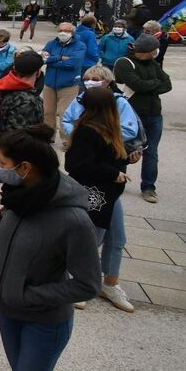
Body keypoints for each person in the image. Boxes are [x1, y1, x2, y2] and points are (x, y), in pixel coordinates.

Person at [0, 125, 101, 371]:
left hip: (45, 322)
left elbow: (88, 284)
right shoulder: (18, 197)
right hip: (10, 312)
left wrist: (28, 295)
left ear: (25, 168)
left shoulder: (73, 220)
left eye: (3, 162)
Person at [64, 86, 136, 313]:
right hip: (95, 195)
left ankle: (110, 284)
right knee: (92, 239)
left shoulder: (109, 129)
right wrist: (112, 173)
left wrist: (128, 159)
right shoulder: (87, 130)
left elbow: (109, 157)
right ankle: (77, 282)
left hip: (110, 195)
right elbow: (76, 165)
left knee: (117, 239)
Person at [113, 34, 171, 203]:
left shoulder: (153, 63)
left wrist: (148, 86)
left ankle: (148, 187)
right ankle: (116, 178)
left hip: (155, 115)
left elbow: (167, 84)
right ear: (149, 50)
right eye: (155, 49)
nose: (157, 52)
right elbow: (136, 85)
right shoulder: (124, 62)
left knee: (151, 153)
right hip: (132, 113)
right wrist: (153, 84)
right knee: (122, 148)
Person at [40, 23, 86, 143]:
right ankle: (48, 136)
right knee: (48, 112)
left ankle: (67, 140)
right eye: (60, 30)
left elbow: (72, 64)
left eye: (66, 30)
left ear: (72, 32)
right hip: (49, 83)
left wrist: (52, 59)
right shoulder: (51, 44)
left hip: (69, 84)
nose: (62, 32)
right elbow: (43, 59)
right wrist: (61, 57)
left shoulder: (80, 46)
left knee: (65, 113)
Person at [0, 51, 47, 137]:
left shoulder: (7, 88)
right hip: (15, 147)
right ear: (38, 73)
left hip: (2, 145)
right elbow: (19, 137)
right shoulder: (26, 101)